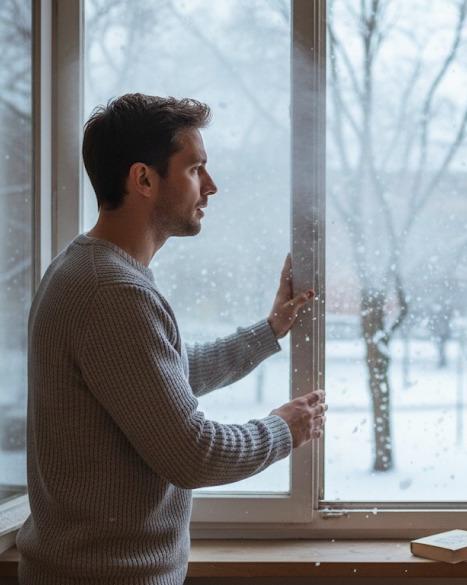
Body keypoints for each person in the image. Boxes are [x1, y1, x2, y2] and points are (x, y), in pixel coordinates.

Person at [16, 93, 327, 584]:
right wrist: (284, 429)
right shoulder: (112, 291)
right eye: (195, 169)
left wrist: (268, 332)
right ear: (143, 179)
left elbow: (153, 379)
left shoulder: (91, 269)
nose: (211, 186)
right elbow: (194, 454)